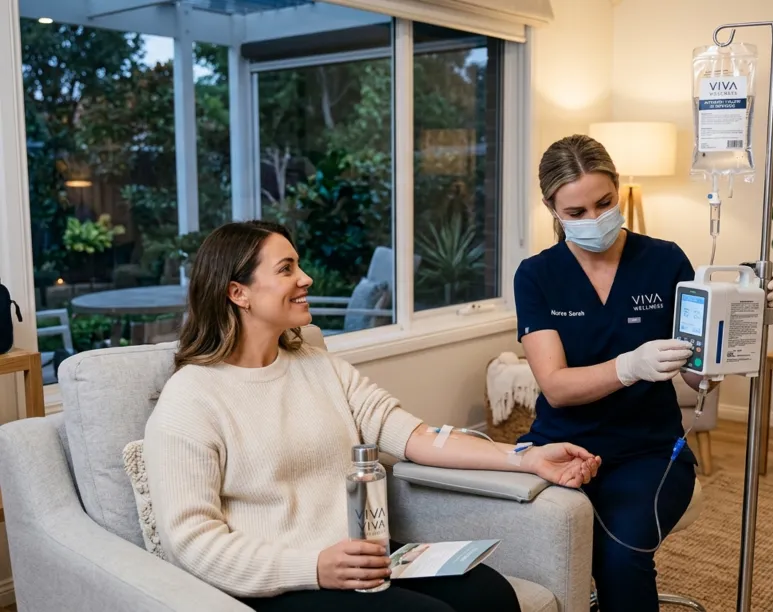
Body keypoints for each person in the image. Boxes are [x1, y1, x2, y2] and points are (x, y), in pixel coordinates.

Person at [143, 220, 601, 612]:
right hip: (281, 579)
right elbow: (191, 538)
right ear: (238, 292)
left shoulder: (317, 365)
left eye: (299, 265)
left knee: (491, 596)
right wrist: (313, 567)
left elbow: (415, 435)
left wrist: (527, 456)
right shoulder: (192, 398)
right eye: (286, 270)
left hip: (357, 556)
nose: (306, 279)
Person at [513, 134, 773, 611]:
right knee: (538, 553)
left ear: (619, 190)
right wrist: (629, 366)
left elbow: (698, 380)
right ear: (552, 210)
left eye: (604, 203)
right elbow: (556, 388)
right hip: (560, 450)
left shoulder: (664, 260)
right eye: (576, 213)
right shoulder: (536, 275)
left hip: (649, 453)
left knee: (619, 557)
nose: (594, 219)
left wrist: (738, 320)